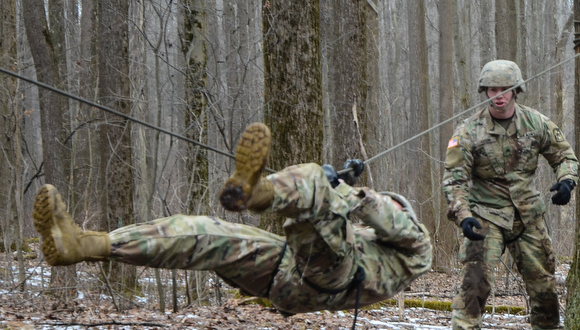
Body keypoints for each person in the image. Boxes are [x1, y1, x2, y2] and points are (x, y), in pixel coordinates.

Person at [33, 123, 432, 318]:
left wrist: (345, 190)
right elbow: (355, 220)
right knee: (207, 235)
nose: (389, 211)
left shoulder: (416, 250)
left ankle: (259, 194)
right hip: (282, 273)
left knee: (314, 184)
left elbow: (387, 221)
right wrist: (341, 191)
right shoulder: (366, 237)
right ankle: (84, 245)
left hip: (330, 281)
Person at [442, 59, 580, 330]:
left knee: (543, 282)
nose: (499, 95)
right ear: (485, 92)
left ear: (516, 90)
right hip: (485, 216)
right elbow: (454, 181)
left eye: (505, 89)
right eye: (493, 89)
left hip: (527, 214)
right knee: (475, 280)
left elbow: (564, 157)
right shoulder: (468, 132)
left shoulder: (536, 123)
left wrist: (567, 182)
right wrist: (463, 216)